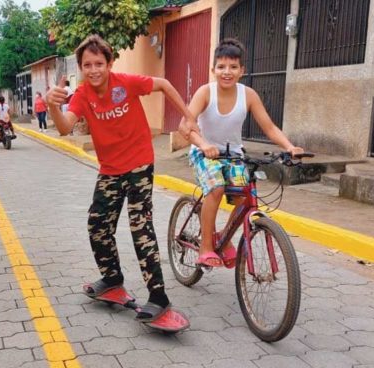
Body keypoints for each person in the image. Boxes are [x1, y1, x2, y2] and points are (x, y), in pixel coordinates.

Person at [45, 34, 199, 327]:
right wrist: (52, 105)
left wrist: (189, 117)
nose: (93, 70)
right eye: (87, 65)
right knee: (97, 225)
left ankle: (159, 298)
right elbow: (65, 128)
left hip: (140, 163)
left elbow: (164, 85)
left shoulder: (125, 82)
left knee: (140, 227)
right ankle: (113, 279)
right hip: (110, 170)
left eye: (99, 63)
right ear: (80, 67)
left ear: (110, 63)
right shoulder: (82, 95)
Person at [183, 39, 304, 267]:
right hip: (203, 153)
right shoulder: (205, 92)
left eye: (233, 67)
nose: (226, 72)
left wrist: (289, 147)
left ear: (242, 71)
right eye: (221, 67)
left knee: (244, 197)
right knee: (217, 187)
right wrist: (203, 144)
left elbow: (269, 127)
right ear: (213, 70)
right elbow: (185, 126)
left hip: (233, 155)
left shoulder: (248, 95)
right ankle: (206, 246)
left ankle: (224, 237)